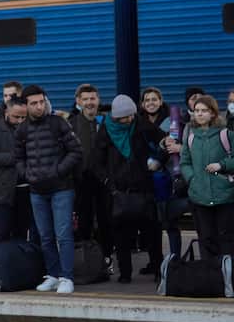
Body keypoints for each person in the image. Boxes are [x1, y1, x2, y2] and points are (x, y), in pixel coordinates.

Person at [14, 84, 83, 294]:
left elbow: (76, 151)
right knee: (45, 236)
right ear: (25, 106)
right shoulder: (22, 130)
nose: (39, 106)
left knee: (63, 235)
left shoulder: (58, 123)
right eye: (34, 103)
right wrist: (27, 175)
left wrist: (59, 171)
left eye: (41, 102)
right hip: (37, 190)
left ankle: (67, 277)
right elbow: (18, 157)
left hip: (61, 188)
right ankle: (53, 275)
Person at [92, 95, 166, 282]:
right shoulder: (106, 131)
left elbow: (164, 143)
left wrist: (158, 161)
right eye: (125, 117)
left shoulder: (141, 125)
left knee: (152, 233)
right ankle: (125, 273)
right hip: (118, 192)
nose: (129, 120)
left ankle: (158, 268)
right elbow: (96, 162)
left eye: (131, 115)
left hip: (144, 189)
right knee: (121, 235)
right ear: (116, 118)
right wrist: (108, 182)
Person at [179, 94, 234, 259]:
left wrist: (222, 165)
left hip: (225, 196)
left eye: (204, 110)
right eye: (197, 110)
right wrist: (192, 180)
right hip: (200, 197)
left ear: (213, 113)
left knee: (227, 240)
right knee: (206, 240)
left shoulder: (226, 135)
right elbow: (185, 162)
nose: (200, 114)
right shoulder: (191, 138)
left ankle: (228, 277)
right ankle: (210, 278)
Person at [0, 98, 32, 243]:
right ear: (6, 113)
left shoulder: (30, 129)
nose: (20, 120)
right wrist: (17, 158)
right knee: (2, 232)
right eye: (16, 117)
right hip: (1, 193)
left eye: (24, 117)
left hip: (25, 190)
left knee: (22, 232)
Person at [140, 86, 178, 265]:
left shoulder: (172, 121)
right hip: (146, 177)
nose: (151, 103)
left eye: (154, 99)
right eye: (147, 100)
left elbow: (172, 144)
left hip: (167, 176)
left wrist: (158, 161)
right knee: (150, 222)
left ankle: (175, 260)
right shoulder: (139, 122)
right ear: (142, 104)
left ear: (161, 101)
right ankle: (155, 262)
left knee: (170, 220)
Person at [70, 83, 110, 254]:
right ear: (78, 101)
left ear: (98, 99)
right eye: (85, 99)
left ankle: (107, 255)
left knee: (106, 220)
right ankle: (86, 258)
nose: (89, 102)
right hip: (81, 179)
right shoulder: (71, 124)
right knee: (84, 220)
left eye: (92, 98)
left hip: (105, 179)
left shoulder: (107, 121)